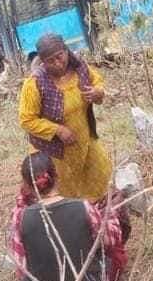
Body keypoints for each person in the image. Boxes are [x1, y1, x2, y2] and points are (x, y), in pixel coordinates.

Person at [8, 152, 126, 281]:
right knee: (112, 257)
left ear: (26, 185)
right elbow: (110, 239)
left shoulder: (20, 217)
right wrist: (110, 212)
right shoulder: (83, 208)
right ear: (56, 176)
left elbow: (21, 268)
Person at [18, 34, 112, 202]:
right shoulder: (35, 84)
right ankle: (73, 219)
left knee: (100, 174)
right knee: (65, 191)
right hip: (55, 151)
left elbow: (97, 81)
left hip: (84, 139)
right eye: (49, 61)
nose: (57, 63)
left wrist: (98, 92)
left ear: (66, 51)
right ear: (42, 62)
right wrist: (58, 130)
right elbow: (26, 120)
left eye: (59, 56)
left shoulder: (80, 68)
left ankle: (96, 215)